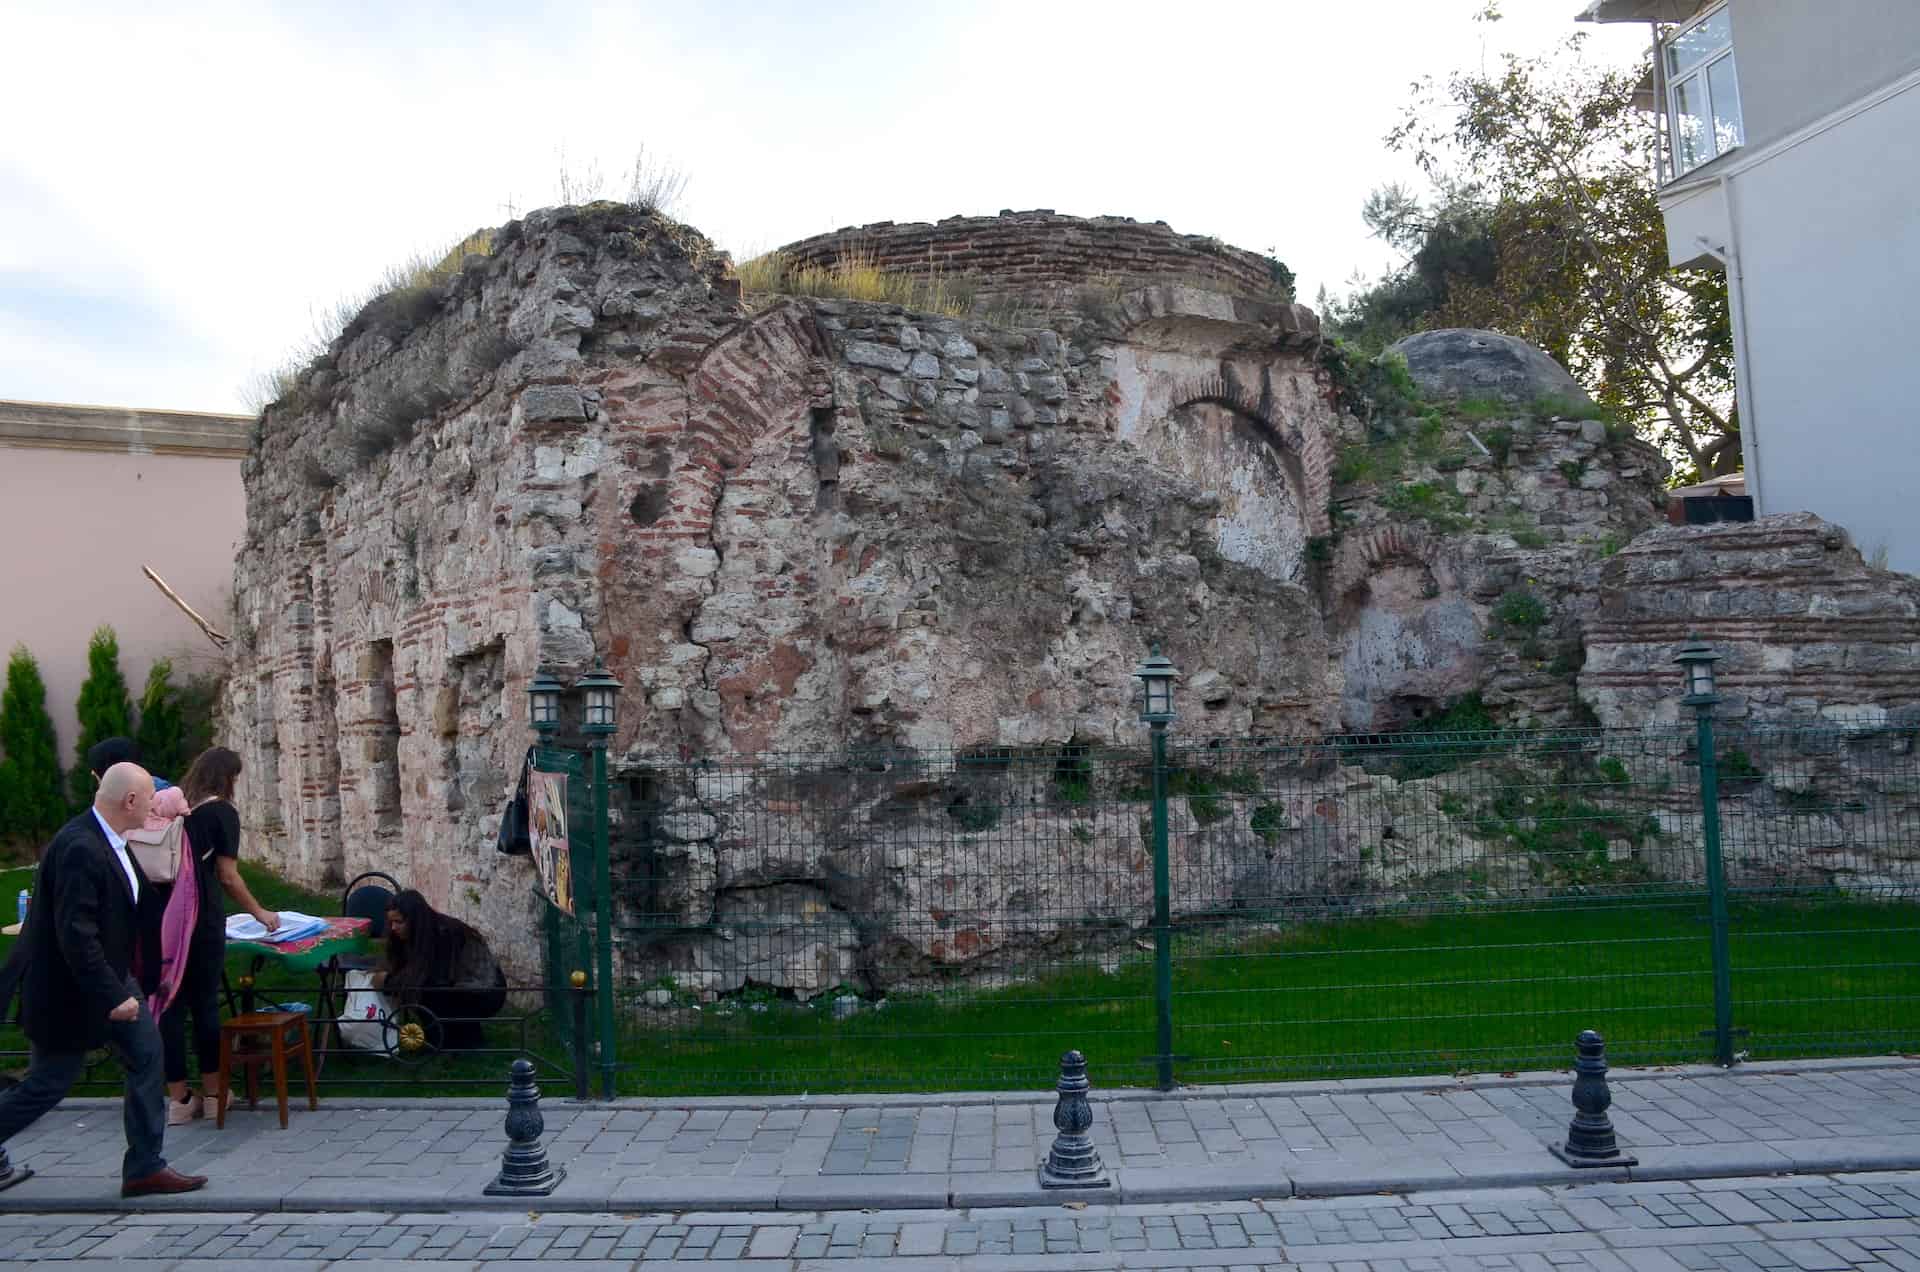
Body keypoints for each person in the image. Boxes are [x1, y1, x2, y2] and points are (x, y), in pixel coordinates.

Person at [0, 763, 207, 1197]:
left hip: (112, 981)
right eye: (150, 795)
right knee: (49, 1083)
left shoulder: (111, 840)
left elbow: (131, 912)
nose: (154, 803)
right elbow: (76, 934)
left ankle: (145, 1167)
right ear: (130, 802)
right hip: (71, 992)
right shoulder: (80, 846)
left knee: (148, 1055)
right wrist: (113, 994)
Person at [156, 747, 280, 1125]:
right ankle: (214, 1094)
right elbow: (227, 875)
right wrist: (260, 912)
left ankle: (178, 1100)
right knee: (205, 1005)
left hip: (163, 918)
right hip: (201, 917)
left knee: (170, 1008)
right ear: (227, 778)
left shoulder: (176, 810)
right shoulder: (221, 813)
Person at [371, 890, 506, 1050]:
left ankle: (455, 1040)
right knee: (424, 991)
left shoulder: (444, 935)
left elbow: (430, 979)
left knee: (426, 992)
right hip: (461, 986)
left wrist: (387, 981)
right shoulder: (420, 933)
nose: (393, 927)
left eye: (399, 922)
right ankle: (444, 1038)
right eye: (391, 922)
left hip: (486, 992)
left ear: (415, 920)